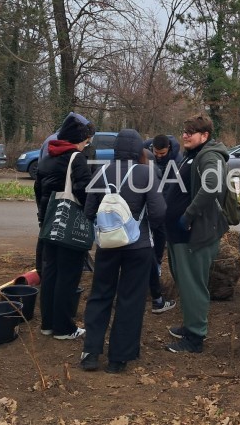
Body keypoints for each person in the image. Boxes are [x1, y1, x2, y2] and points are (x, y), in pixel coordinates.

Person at [79, 129, 166, 373]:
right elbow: (159, 212)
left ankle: (91, 352)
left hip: (107, 245)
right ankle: (119, 357)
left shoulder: (100, 172)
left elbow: (88, 212)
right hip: (138, 247)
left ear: (116, 149)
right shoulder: (145, 174)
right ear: (139, 150)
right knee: (130, 298)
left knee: (100, 294)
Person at [164, 113, 231, 353]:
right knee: (185, 281)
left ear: (205, 135)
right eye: (184, 131)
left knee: (194, 285)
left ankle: (195, 338)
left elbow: (212, 185)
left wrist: (188, 215)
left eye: (190, 132)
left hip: (193, 235)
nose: (185, 136)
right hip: (178, 235)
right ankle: (190, 325)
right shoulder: (190, 155)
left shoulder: (209, 156)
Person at [34, 112, 94, 339]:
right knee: (68, 276)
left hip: (49, 223)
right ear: (79, 138)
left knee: (50, 273)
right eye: (86, 139)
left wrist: (43, 217)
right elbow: (83, 191)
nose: (87, 143)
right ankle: (64, 328)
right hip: (69, 226)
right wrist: (91, 215)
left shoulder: (48, 155)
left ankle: (48, 324)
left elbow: (38, 189)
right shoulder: (75, 158)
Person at [142, 134, 180, 313]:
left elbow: (173, 185)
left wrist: (163, 204)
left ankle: (156, 264)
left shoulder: (176, 159)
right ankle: (148, 270)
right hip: (148, 199)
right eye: (156, 152)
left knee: (161, 234)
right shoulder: (145, 151)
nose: (158, 156)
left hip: (164, 201)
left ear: (169, 150)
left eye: (162, 153)